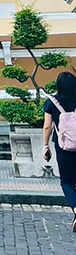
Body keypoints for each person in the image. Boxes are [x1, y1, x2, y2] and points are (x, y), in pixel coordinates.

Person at [43, 71, 76, 231]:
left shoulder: (52, 102)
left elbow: (47, 126)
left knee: (67, 182)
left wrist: (45, 146)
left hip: (63, 146)